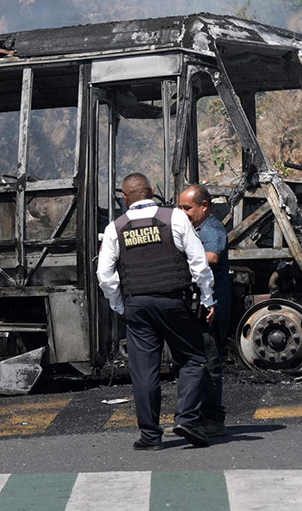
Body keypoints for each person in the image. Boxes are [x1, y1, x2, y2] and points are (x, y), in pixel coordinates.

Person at [97, 173, 216, 450]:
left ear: (125, 200)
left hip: (137, 305)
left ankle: (151, 437)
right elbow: (199, 263)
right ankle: (186, 418)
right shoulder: (174, 218)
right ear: (151, 191)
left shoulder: (116, 227)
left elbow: (104, 274)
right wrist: (208, 299)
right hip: (174, 301)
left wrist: (119, 305)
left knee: (144, 372)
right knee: (193, 358)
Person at [178, 184, 230, 438]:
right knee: (198, 364)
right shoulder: (195, 229)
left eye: (187, 207)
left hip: (213, 308)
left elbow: (211, 257)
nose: (183, 212)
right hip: (199, 307)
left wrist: (179, 257)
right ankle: (196, 418)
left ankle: (214, 419)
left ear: (204, 206)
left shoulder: (212, 229)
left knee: (210, 365)